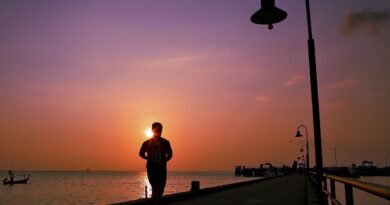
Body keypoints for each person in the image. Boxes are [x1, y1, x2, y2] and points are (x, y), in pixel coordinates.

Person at [139, 122, 173, 205]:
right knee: (159, 188)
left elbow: (141, 153)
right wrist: (165, 160)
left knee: (155, 187)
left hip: (152, 168)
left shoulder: (147, 142)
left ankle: (154, 201)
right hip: (159, 169)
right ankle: (155, 202)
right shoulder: (165, 142)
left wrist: (147, 158)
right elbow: (170, 154)